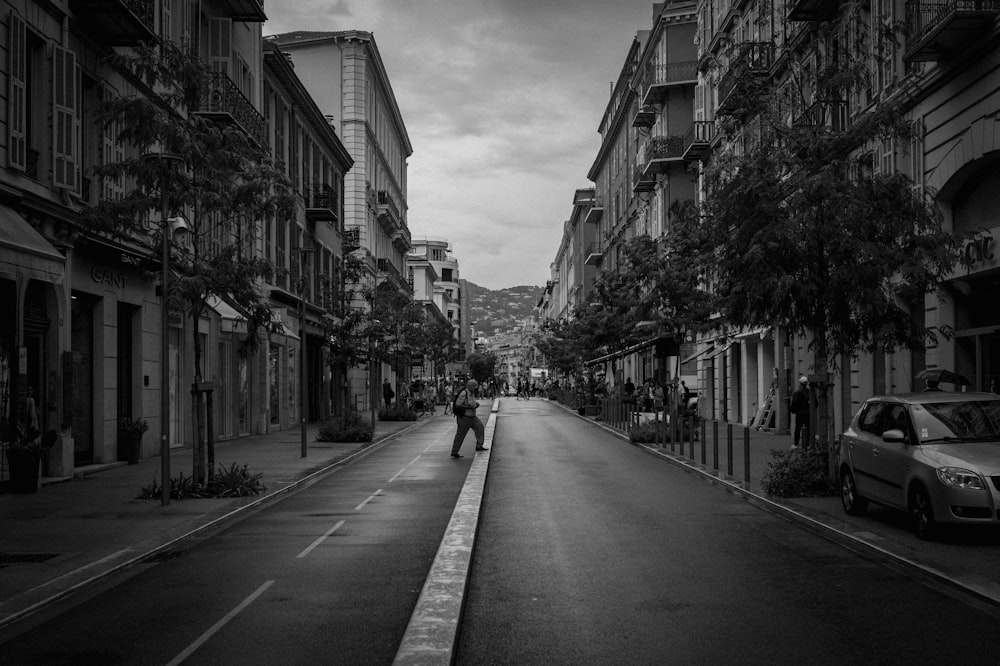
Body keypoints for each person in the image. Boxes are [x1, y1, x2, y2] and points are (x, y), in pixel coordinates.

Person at [451, 379, 487, 458]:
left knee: (480, 428)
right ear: (470, 386)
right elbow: (458, 405)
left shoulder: (472, 393)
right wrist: (469, 407)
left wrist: (475, 404)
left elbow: (471, 402)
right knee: (461, 434)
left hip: (472, 417)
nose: (475, 388)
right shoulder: (464, 393)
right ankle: (454, 451)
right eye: (474, 386)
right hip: (464, 417)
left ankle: (479, 445)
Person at [791, 376, 810, 450]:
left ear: (800, 384)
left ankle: (796, 443)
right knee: (808, 429)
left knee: (798, 428)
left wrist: (794, 410)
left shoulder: (797, 393)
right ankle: (807, 444)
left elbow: (794, 402)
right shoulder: (809, 392)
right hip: (808, 413)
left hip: (799, 413)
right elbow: (815, 403)